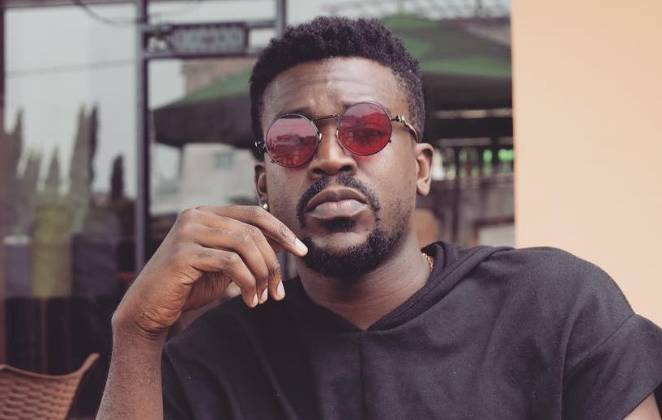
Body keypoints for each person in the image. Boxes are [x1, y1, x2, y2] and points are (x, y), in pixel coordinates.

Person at [98, 16, 662, 419]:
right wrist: (136, 333)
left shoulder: (555, 308)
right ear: (264, 183)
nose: (330, 156)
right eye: (292, 138)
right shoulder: (213, 361)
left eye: (365, 129)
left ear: (421, 167)